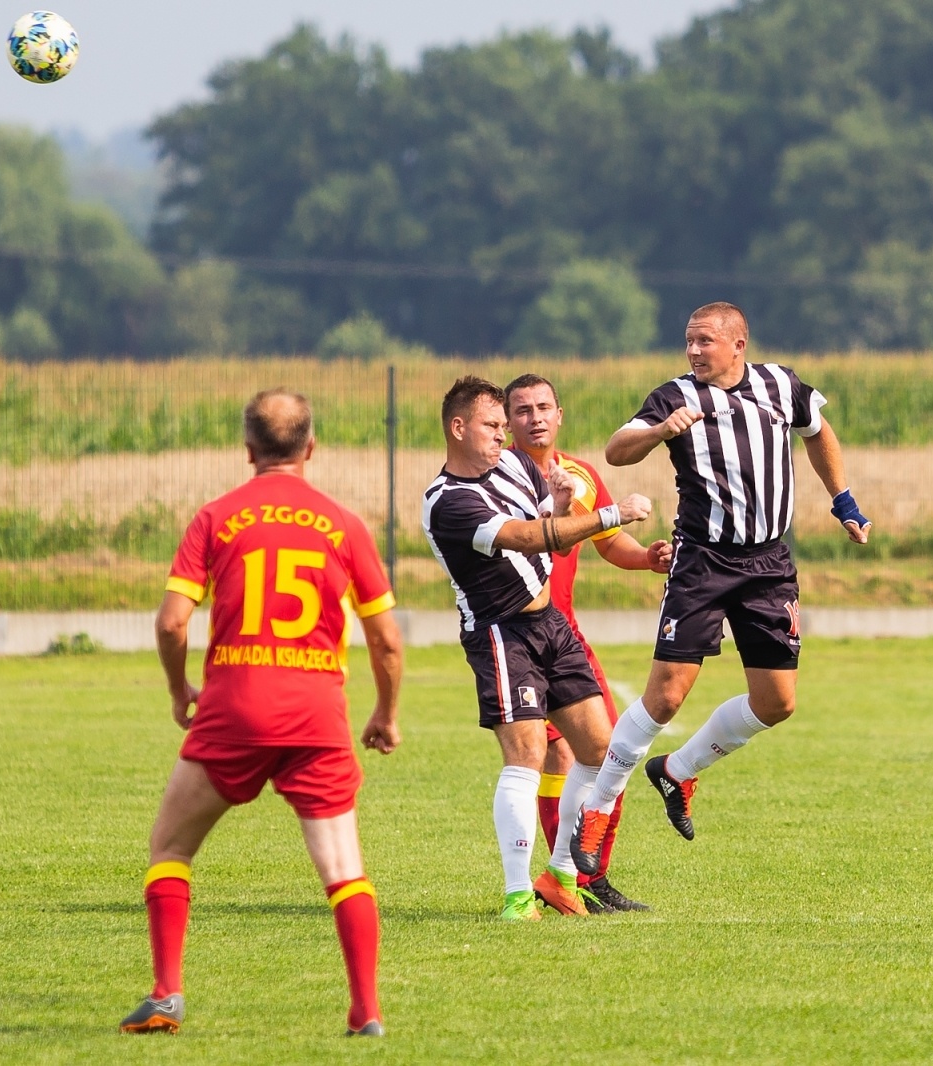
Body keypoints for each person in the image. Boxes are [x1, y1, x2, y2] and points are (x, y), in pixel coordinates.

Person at [120, 389, 403, 1038]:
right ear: (311, 448)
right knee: (344, 869)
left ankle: (167, 994)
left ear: (248, 450)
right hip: (316, 716)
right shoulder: (345, 524)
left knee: (170, 846)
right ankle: (366, 1011)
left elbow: (171, 622)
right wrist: (386, 712)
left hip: (233, 709)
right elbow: (386, 640)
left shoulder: (217, 517)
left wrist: (177, 689)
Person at [571, 303, 873, 874]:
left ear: (738, 343)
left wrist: (844, 501)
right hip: (702, 562)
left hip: (769, 565)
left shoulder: (779, 384)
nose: (693, 351)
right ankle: (599, 807)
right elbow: (616, 450)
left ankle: (676, 772)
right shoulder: (673, 396)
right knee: (665, 696)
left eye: (704, 341)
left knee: (777, 702)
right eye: (688, 341)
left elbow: (818, 432)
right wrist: (661, 431)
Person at [420, 376, 652, 921]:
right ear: (458, 428)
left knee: (601, 751)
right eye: (494, 425)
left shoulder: (516, 466)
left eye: (506, 425)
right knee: (525, 758)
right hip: (501, 633)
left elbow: (545, 522)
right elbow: (526, 538)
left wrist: (561, 502)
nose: (505, 435)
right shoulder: (447, 500)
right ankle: (517, 895)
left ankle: (561, 872)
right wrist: (612, 514)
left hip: (551, 624)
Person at [502, 373, 673, 914]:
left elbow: (608, 540)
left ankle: (581, 875)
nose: (535, 417)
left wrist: (645, 556)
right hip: (519, 634)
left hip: (567, 633)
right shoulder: (499, 477)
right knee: (555, 753)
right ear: (507, 421)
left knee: (607, 753)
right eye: (523, 409)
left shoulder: (580, 472)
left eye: (543, 407)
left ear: (560, 415)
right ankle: (566, 880)